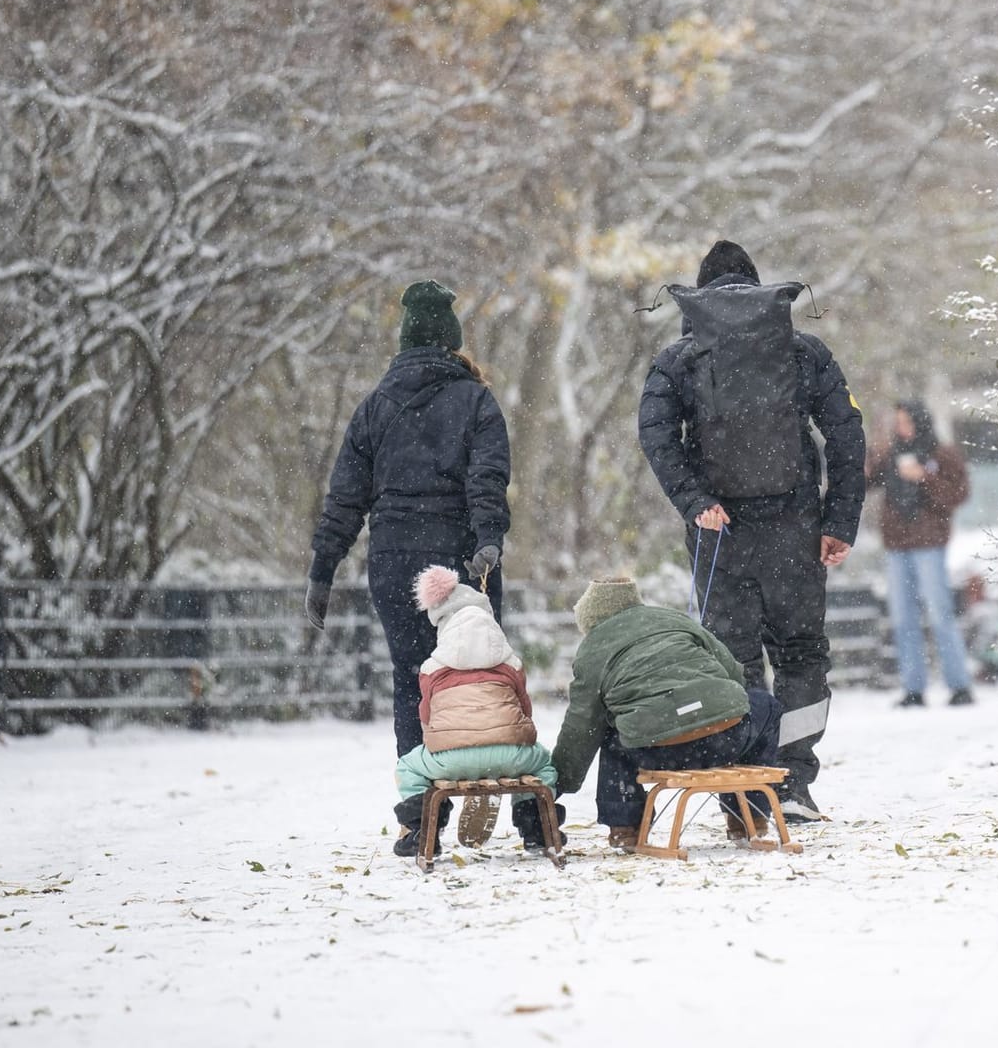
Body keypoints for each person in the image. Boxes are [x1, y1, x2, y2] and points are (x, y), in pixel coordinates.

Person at [637, 240, 865, 821]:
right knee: (801, 653)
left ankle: (742, 790)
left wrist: (695, 501)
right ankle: (791, 783)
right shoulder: (804, 352)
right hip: (796, 529)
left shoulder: (678, 359)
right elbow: (845, 436)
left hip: (721, 533)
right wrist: (839, 521)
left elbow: (657, 436)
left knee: (731, 660)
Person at [305, 280, 510, 844]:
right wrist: (488, 538)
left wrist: (324, 568)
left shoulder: (374, 407)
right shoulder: (476, 400)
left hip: (395, 559)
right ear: (452, 342)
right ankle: (481, 780)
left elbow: (346, 497)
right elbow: (487, 479)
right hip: (463, 557)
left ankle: (421, 813)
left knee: (412, 684)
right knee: (480, 675)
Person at [551, 578, 783, 848]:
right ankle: (748, 815)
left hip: (657, 749)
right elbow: (734, 672)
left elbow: (582, 726)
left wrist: (560, 781)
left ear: (591, 621)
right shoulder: (672, 618)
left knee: (612, 732)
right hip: (726, 736)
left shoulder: (592, 649)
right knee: (767, 706)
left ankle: (625, 826)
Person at [391, 566, 560, 858]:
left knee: (407, 767)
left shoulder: (432, 668)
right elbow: (524, 711)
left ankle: (422, 829)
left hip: (450, 759)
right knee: (545, 765)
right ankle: (535, 827)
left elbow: (427, 719)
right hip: (510, 756)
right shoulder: (511, 663)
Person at [867, 400, 974, 707]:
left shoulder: (942, 454)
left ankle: (959, 685)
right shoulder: (891, 454)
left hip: (929, 545)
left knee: (941, 614)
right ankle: (913, 688)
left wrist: (924, 478)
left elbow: (958, 494)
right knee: (903, 618)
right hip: (897, 545)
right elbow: (868, 482)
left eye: (906, 422)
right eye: (897, 423)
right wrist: (874, 455)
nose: (902, 429)